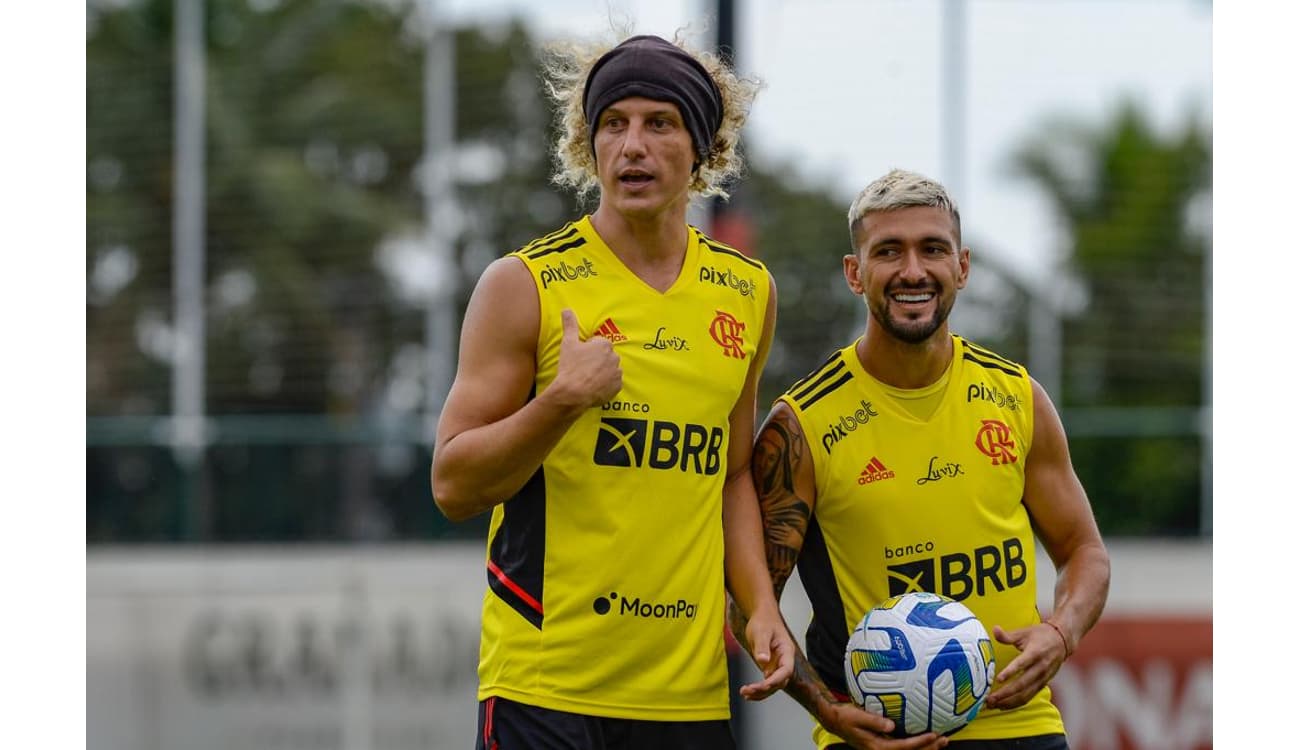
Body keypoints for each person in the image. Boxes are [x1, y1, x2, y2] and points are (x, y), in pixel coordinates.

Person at [431, 33, 794, 750]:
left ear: (703, 148)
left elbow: (732, 474)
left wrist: (759, 608)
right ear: (588, 145)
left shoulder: (749, 291)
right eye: (614, 123)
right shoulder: (523, 285)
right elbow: (452, 484)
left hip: (686, 700)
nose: (633, 146)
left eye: (659, 123)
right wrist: (559, 401)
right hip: (546, 687)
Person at [728, 168, 1111, 750]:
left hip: (1022, 729)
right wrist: (828, 709)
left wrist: (1061, 632)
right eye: (889, 251)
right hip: (878, 739)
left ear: (961, 266)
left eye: (933, 248)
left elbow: (1085, 553)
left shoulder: (1016, 397)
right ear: (855, 274)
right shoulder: (801, 426)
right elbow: (750, 606)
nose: (913, 270)